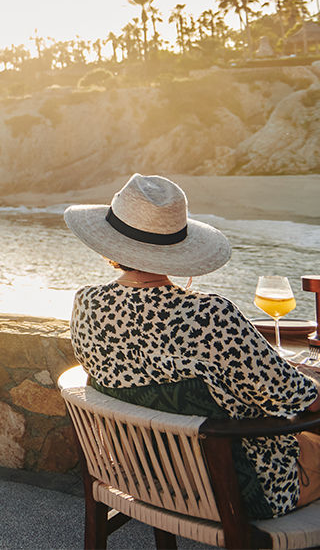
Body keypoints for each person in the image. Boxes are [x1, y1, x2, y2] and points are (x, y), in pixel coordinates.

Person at [66, 173, 320, 518]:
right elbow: (299, 398)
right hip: (242, 491)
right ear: (177, 250)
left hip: (146, 477)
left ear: (113, 246)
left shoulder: (86, 304)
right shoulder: (210, 314)